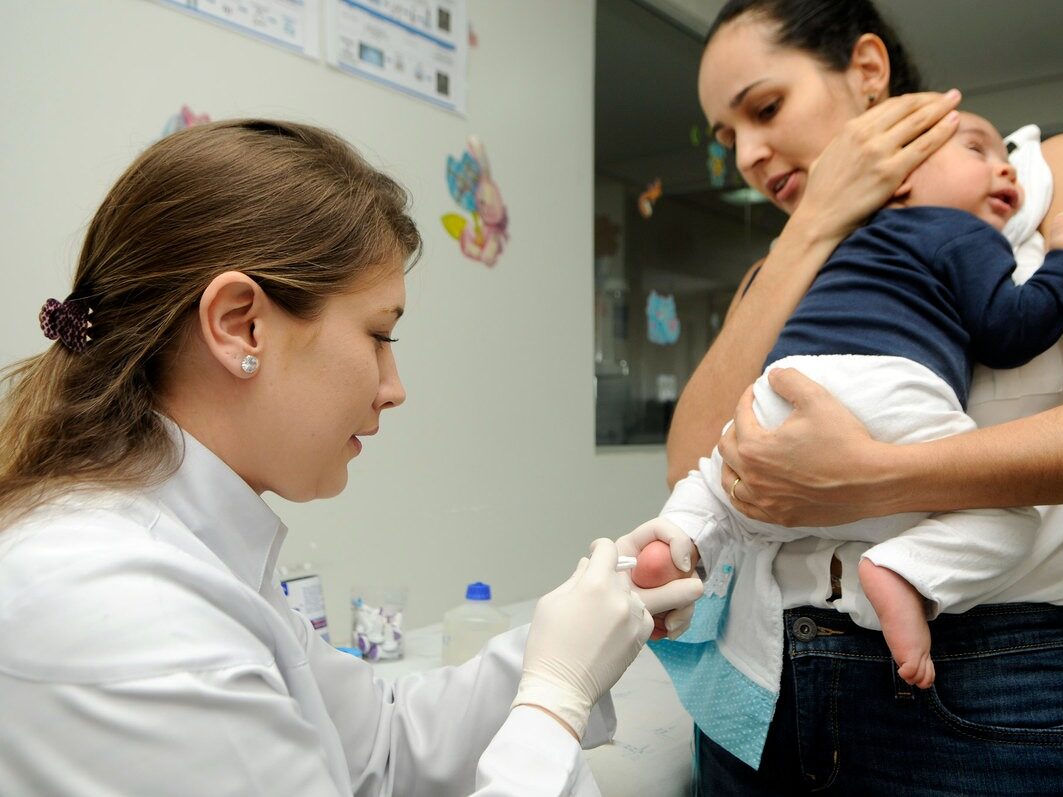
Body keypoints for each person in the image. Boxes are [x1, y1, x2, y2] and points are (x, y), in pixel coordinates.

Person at [0, 119, 703, 795]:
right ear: (239, 323)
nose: (394, 389)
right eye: (377, 335)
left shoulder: (184, 550)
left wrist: (571, 640)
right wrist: (552, 699)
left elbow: (383, 747)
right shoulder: (128, 613)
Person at [659, 0, 1063, 792]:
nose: (746, 154)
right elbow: (690, 465)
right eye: (726, 138)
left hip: (988, 683)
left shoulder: (1041, 178)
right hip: (759, 685)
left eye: (764, 109)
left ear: (868, 70)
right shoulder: (776, 268)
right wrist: (809, 226)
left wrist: (875, 474)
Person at [651, 109, 1063, 705]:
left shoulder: (821, 257)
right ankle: (907, 571)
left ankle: (677, 539)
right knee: (1012, 516)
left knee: (715, 485)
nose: (1004, 167)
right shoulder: (963, 231)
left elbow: (698, 450)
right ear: (902, 181)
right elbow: (1010, 329)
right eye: (977, 150)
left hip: (782, 389)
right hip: (891, 390)